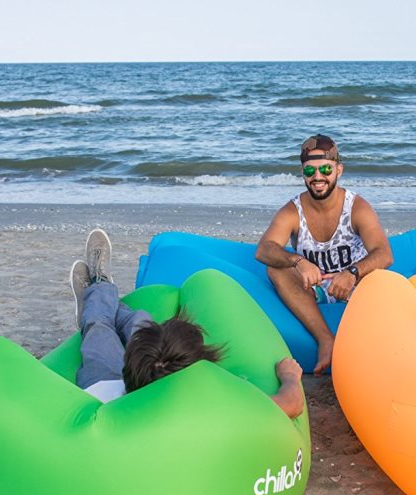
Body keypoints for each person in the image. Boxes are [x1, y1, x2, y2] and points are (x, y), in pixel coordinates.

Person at [70, 229, 304, 418]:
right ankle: (99, 290)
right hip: (138, 382)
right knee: (140, 322)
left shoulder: (107, 412)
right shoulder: (213, 409)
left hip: (107, 385)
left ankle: (98, 289)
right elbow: (291, 404)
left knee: (100, 327)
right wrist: (290, 377)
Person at [255, 134, 393, 374]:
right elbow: (264, 249)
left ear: (339, 170)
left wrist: (352, 272)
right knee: (276, 269)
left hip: (355, 283)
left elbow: (384, 253)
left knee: (384, 280)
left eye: (325, 169)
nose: (317, 177)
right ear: (302, 174)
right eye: (310, 171)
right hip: (314, 287)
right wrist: (298, 261)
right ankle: (325, 339)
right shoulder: (292, 211)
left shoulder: (356, 207)